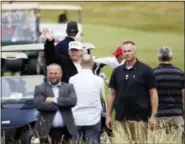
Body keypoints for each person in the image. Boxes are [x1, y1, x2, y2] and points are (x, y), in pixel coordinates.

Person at [106, 41, 158, 143]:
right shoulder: (117, 71)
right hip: (120, 118)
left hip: (139, 119)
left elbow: (153, 93)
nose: (127, 53)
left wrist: (153, 115)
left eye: (129, 51)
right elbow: (112, 93)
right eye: (124, 51)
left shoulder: (146, 70)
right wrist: (108, 115)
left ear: (135, 51)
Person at [32, 64, 77, 144]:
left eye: (55, 73)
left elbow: (73, 101)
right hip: (46, 131)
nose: (53, 76)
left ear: (61, 73)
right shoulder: (40, 88)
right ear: (47, 74)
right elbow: (39, 104)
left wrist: (53, 100)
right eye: (50, 73)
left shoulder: (69, 87)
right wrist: (63, 104)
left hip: (66, 131)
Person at [69, 54, 105, 143]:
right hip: (93, 118)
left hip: (76, 118)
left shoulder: (72, 79)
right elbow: (102, 98)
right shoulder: (98, 80)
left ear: (80, 63)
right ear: (92, 64)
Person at [153, 46, 185, 143]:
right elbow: (184, 98)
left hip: (159, 116)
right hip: (176, 115)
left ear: (158, 58)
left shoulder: (153, 74)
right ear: (171, 58)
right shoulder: (180, 73)